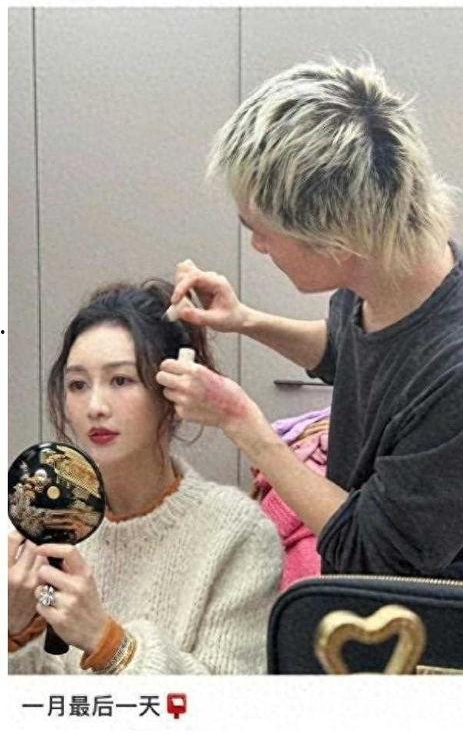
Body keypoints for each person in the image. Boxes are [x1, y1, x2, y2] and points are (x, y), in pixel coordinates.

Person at [156, 59, 463, 582]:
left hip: (416, 617)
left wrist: (242, 422)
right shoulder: (389, 271)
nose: (257, 245)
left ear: (336, 240)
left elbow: (369, 550)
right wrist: (245, 320)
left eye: (261, 229)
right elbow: (348, 349)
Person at [8, 280, 282, 674]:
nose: (95, 406)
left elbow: (229, 701)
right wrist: (14, 631)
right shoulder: (39, 521)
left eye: (121, 380)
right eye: (78, 385)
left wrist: (108, 644)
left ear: (172, 392)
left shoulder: (237, 534)